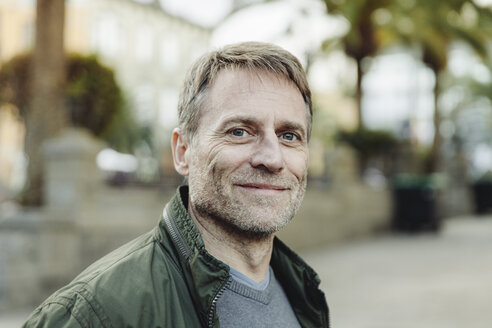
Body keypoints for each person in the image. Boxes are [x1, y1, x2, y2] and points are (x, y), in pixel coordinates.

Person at [23, 42, 330, 328]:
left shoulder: (303, 295)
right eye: (239, 132)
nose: (272, 158)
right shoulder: (90, 314)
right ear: (183, 152)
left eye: (289, 136)